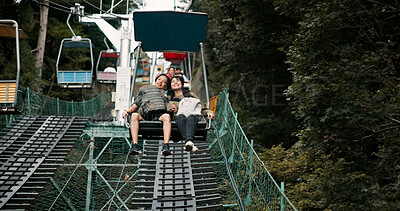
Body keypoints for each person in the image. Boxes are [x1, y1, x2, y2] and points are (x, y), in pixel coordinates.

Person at [122, 74, 172, 156]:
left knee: (167, 117)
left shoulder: (163, 95)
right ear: (156, 80)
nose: (160, 82)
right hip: (145, 116)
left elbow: (167, 107)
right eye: (159, 79)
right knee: (134, 115)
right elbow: (136, 104)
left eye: (163, 82)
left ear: (165, 86)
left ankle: (166, 145)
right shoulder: (144, 91)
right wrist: (127, 111)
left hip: (158, 116)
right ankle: (135, 145)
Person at [169, 76, 214, 152]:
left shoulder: (191, 94)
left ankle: (188, 141)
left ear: (182, 84)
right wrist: (171, 110)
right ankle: (189, 141)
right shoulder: (170, 100)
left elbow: (201, 108)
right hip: (180, 120)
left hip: (194, 117)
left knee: (191, 117)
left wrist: (209, 112)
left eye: (177, 81)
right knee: (180, 117)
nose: (175, 83)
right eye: (173, 82)